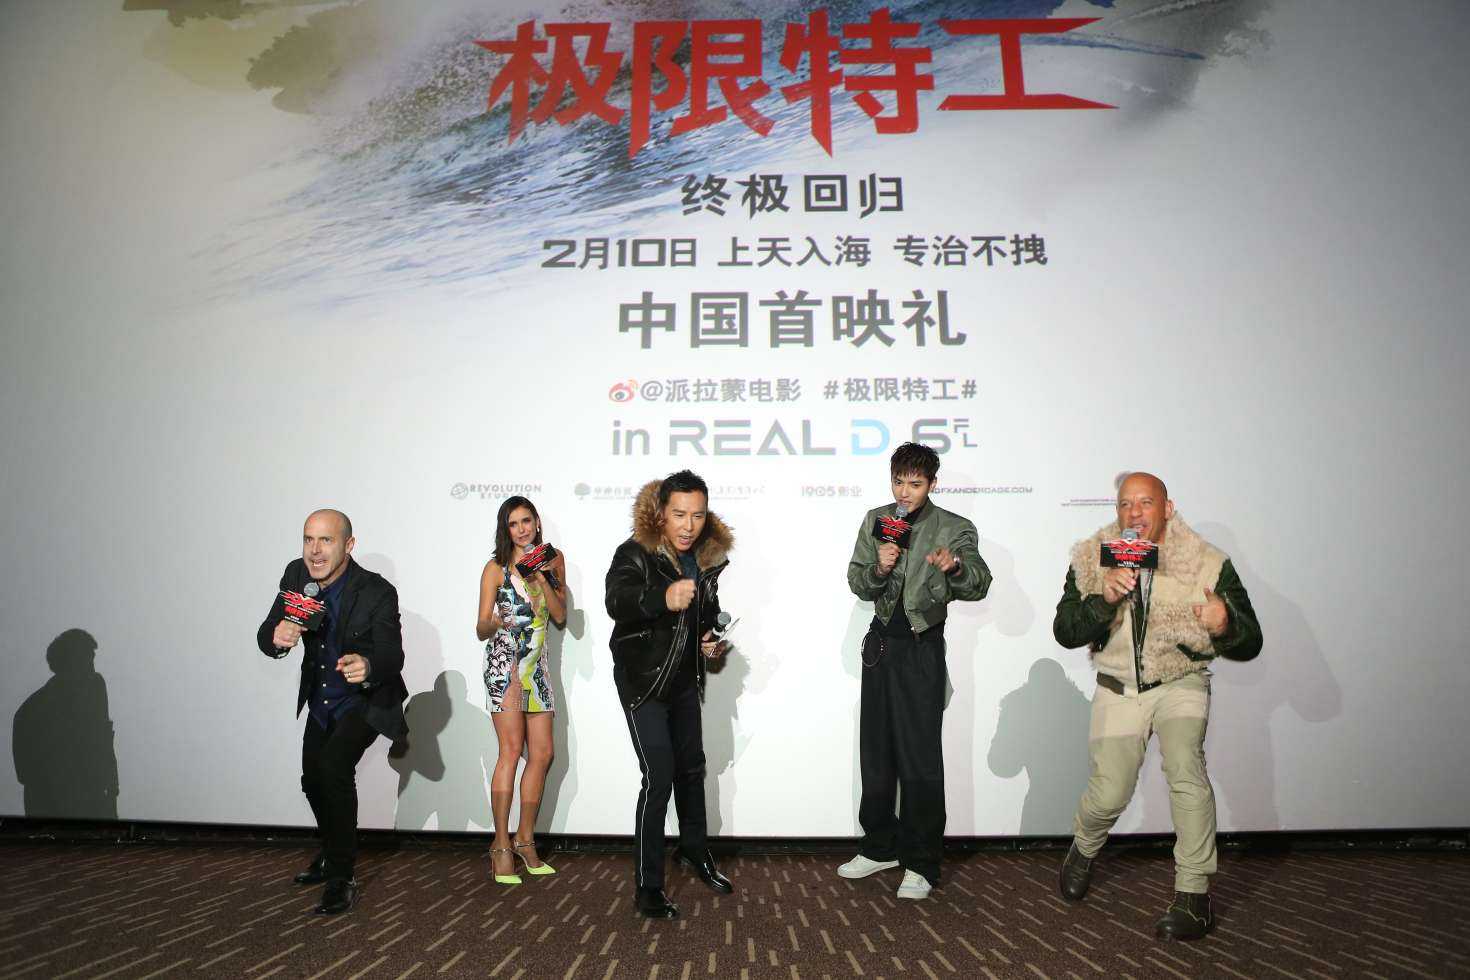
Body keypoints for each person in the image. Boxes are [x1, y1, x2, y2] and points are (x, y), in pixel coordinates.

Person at [1053, 472, 1262, 940]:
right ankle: (1084, 846)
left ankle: (1193, 895)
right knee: (1110, 793)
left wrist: (1225, 624)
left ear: (1167, 508)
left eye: (1146, 503)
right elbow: (1066, 631)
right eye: (1126, 504)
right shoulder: (1091, 557)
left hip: (1180, 680)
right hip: (1118, 686)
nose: (1135, 513)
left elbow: (1251, 641)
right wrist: (1104, 600)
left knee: (1186, 769)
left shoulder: (1208, 562)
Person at [839, 443, 992, 899]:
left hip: (922, 648)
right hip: (880, 647)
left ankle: (921, 861)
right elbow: (857, 580)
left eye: (915, 483)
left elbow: (980, 583)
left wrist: (955, 566)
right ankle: (880, 845)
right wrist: (878, 569)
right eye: (898, 482)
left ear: (932, 484)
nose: (904, 492)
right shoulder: (876, 519)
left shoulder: (953, 527)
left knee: (919, 759)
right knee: (876, 752)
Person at [255, 509, 407, 915]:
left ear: (348, 545)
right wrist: (277, 638)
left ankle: (341, 876)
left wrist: (368, 665)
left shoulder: (376, 590)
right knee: (312, 780)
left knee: (334, 768)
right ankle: (331, 850)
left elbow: (392, 655)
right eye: (309, 539)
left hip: (365, 698)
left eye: (326, 540)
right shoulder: (296, 576)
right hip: (322, 698)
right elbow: (267, 632)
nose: (315, 551)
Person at [604, 470, 734, 919]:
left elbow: (704, 614)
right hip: (643, 682)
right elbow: (617, 601)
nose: (688, 525)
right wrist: (664, 597)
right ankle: (648, 886)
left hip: (682, 681)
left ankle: (694, 851)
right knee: (658, 776)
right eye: (679, 514)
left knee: (692, 770)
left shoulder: (704, 558)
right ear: (661, 513)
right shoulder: (634, 552)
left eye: (697, 515)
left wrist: (709, 639)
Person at [476, 496, 567, 885]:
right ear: (506, 529)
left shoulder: (553, 560)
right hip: (506, 667)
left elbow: (560, 616)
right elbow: (480, 627)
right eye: (513, 524)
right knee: (511, 752)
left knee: (543, 754)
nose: (521, 530)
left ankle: (525, 839)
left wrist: (543, 577)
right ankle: (500, 844)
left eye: (526, 521)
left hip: (538, 668)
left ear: (537, 523)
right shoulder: (495, 568)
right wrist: (494, 622)